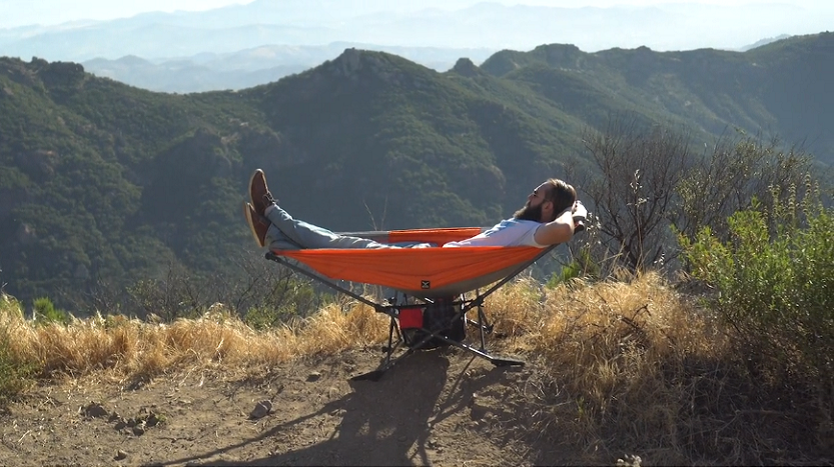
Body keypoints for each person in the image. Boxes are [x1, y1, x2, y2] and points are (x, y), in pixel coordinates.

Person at [244, 169, 587, 250]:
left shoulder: (535, 231)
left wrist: (574, 214)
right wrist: (575, 210)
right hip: (433, 260)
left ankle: (272, 213)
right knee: (340, 242)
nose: (529, 195)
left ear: (549, 207)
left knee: (339, 245)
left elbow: (561, 230)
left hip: (428, 267)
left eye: (537, 195)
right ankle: (274, 236)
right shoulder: (526, 229)